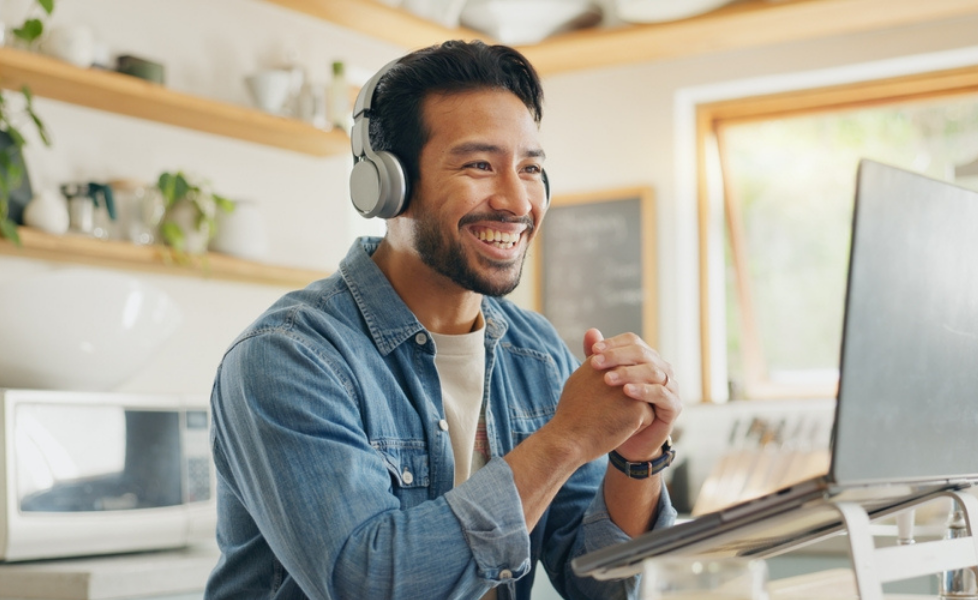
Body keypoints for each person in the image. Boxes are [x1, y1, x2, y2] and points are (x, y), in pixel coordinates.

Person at [205, 40, 681, 600]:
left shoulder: (536, 352)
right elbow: (371, 585)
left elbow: (601, 587)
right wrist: (566, 439)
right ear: (388, 185)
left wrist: (637, 460)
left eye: (530, 168)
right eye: (479, 165)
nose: (517, 201)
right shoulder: (288, 358)